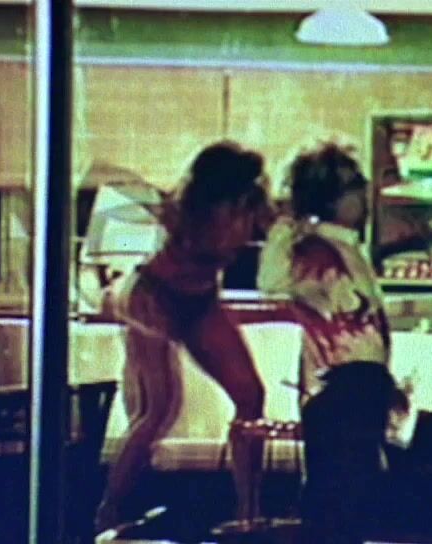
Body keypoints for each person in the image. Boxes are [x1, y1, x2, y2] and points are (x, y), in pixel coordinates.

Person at [95, 141, 272, 534]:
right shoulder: (191, 211)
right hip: (154, 294)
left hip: (200, 300)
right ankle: (109, 511)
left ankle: (249, 512)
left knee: (250, 395)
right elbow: (218, 242)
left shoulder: (242, 206)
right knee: (158, 408)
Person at [257, 143, 410, 542]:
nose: (361, 195)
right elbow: (275, 284)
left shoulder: (344, 247)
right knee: (340, 494)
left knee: (351, 492)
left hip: (357, 383)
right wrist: (286, 229)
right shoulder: (317, 251)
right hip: (341, 384)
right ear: (328, 196)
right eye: (351, 186)